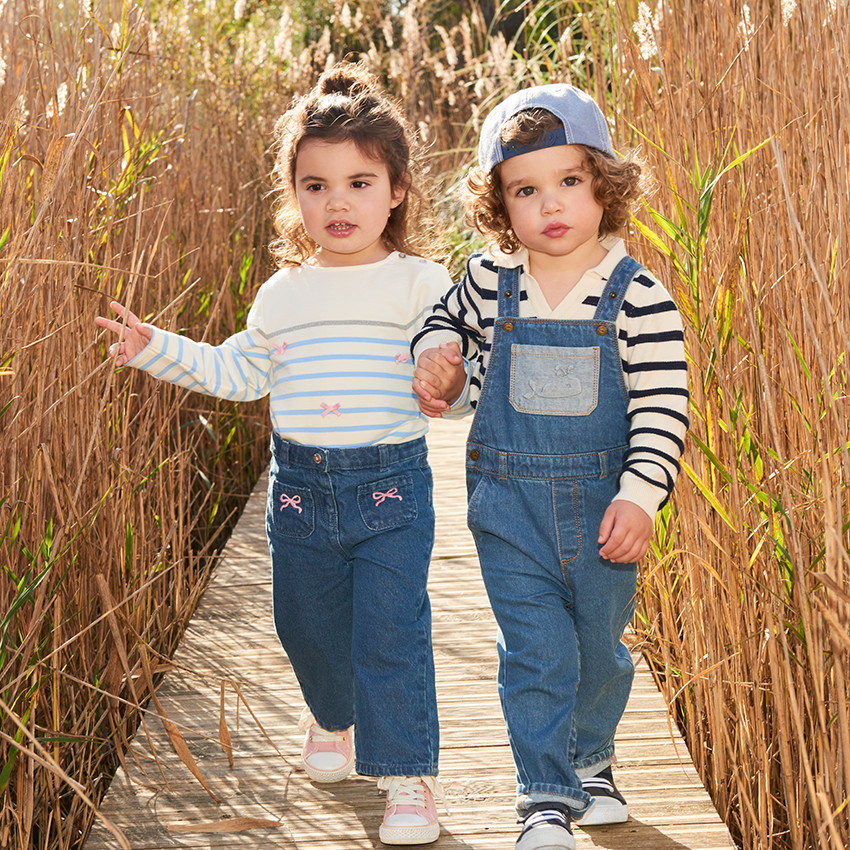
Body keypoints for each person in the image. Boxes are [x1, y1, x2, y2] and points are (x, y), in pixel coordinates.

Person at [95, 62, 454, 846]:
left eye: (360, 182)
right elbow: (236, 370)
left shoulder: (420, 282)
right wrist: (154, 347)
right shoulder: (283, 294)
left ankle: (406, 778)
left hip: (389, 485)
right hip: (299, 489)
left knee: (389, 630)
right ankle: (334, 718)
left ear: (396, 190)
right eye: (316, 185)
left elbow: (451, 368)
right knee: (306, 625)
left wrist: (445, 378)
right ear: (294, 194)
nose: (338, 202)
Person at [411, 84, 689, 850]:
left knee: (598, 649)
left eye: (569, 181)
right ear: (501, 205)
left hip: (605, 514)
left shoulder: (640, 299)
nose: (551, 204)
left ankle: (590, 761)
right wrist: (440, 367)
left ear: (604, 183)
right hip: (510, 507)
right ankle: (543, 796)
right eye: (525, 190)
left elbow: (664, 407)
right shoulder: (490, 281)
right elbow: (449, 337)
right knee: (536, 649)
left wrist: (642, 497)